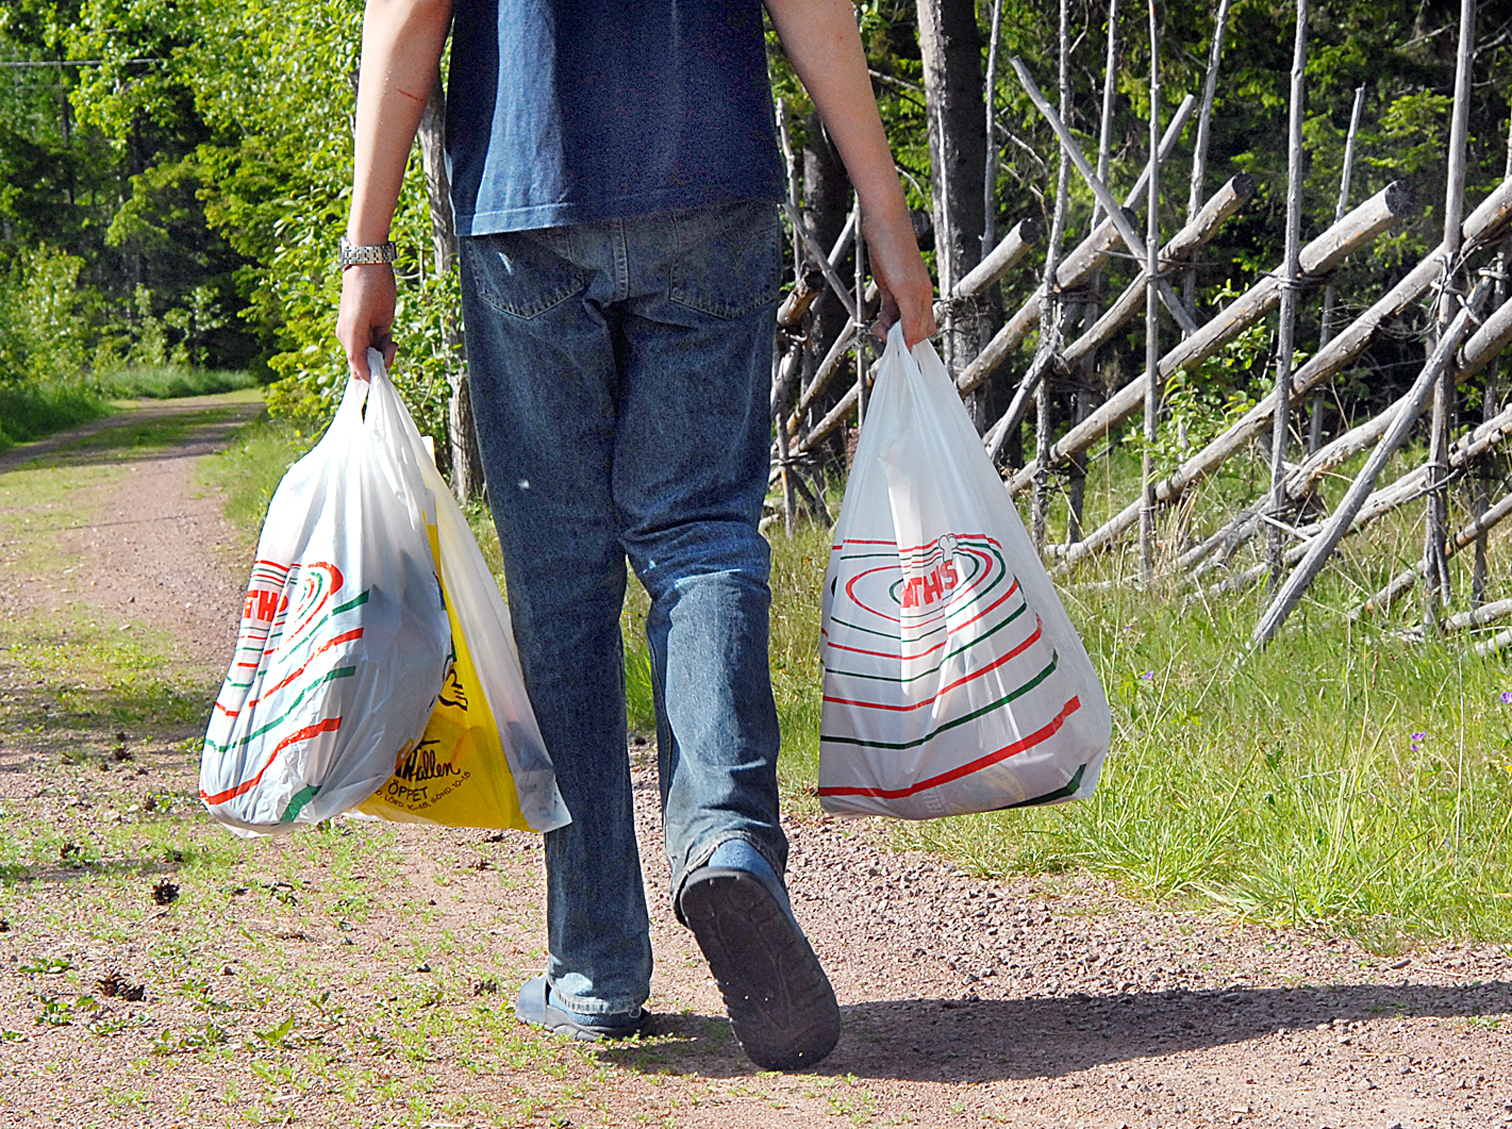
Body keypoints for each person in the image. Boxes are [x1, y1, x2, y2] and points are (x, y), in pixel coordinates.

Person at [336, 0, 936, 1070]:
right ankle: (727, 835)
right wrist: (888, 219)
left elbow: (412, 17)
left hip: (527, 194)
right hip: (709, 183)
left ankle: (598, 962)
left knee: (562, 578)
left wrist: (364, 244)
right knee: (702, 532)